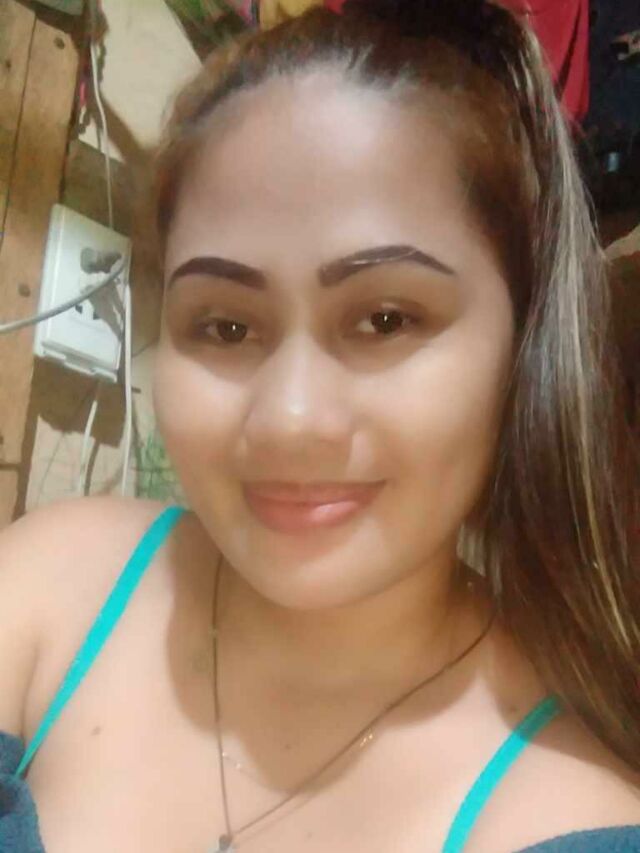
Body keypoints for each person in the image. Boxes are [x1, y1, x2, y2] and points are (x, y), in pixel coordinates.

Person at [1, 1, 639, 850]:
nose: (290, 420)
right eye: (225, 326)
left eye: (385, 319)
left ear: (522, 347)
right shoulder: (55, 583)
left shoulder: (570, 814)